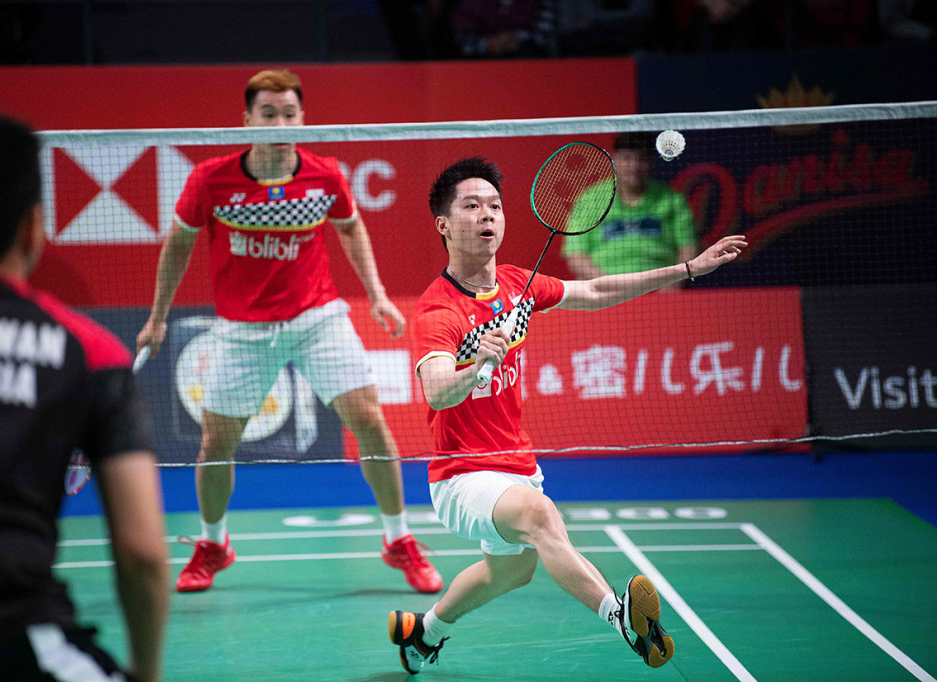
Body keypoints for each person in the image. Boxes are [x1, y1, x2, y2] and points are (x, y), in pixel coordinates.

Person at [387, 156, 746, 673]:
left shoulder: (516, 285)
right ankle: (622, 619)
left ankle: (424, 634)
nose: (487, 215)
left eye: (494, 206)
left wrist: (689, 267)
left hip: (516, 465)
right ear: (444, 225)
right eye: (471, 206)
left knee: (508, 573)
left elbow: (596, 291)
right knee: (541, 518)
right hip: (462, 475)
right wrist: (477, 365)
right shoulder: (437, 310)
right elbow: (438, 390)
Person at [136, 69, 442, 595]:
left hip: (316, 318)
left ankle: (399, 540)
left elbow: (349, 226)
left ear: (303, 118)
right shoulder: (212, 178)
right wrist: (159, 316)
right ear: (247, 120)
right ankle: (213, 544)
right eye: (269, 113)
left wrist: (374, 293)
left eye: (289, 113)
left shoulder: (324, 176)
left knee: (369, 419)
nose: (280, 123)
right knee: (215, 443)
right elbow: (179, 244)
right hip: (240, 329)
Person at [0, 114, 168, 681]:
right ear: (33, 226)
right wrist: (145, 672)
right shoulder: (89, 351)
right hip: (9, 637)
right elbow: (144, 553)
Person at [562, 132, 699, 291]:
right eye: (626, 158)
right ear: (615, 160)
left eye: (641, 159)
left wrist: (673, 283)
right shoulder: (590, 199)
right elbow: (575, 255)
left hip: (661, 290)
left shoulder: (672, 200)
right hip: (605, 290)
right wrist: (611, 287)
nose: (634, 166)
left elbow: (688, 249)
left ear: (651, 161)